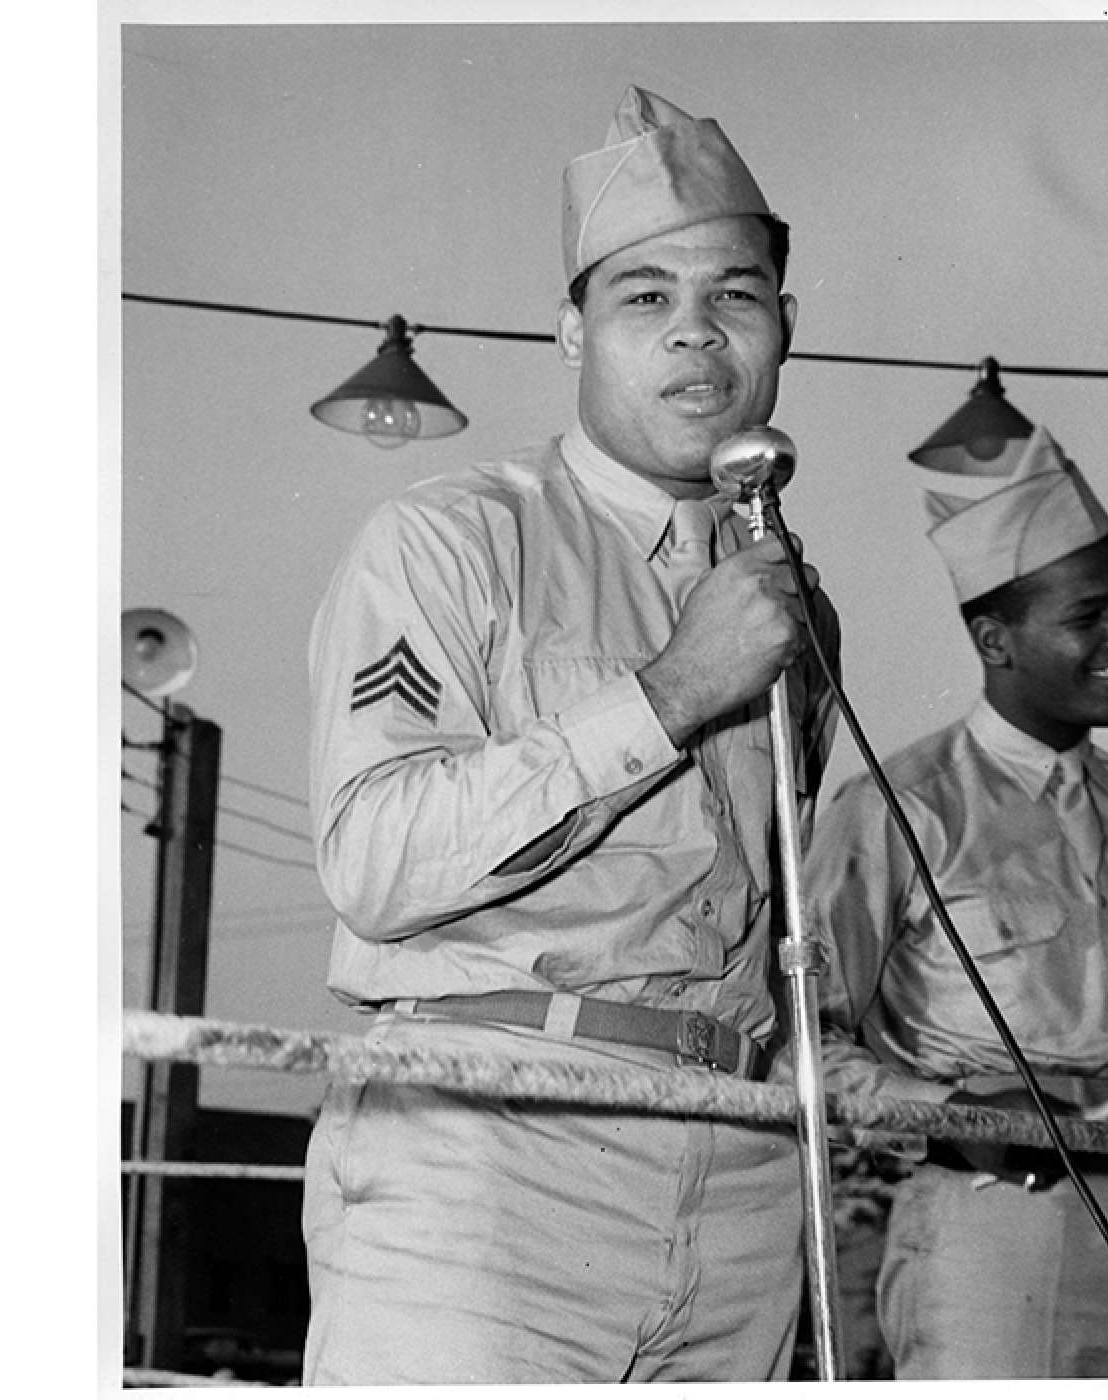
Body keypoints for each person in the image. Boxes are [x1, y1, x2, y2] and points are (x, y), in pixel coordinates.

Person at [299, 85, 841, 1385]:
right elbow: (372, 862)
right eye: (644, 297)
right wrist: (664, 695)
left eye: (737, 296)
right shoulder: (451, 540)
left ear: (785, 328)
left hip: (739, 1171)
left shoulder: (791, 599)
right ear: (571, 332)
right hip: (489, 1146)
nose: (697, 336)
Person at [799, 417, 1108, 1378]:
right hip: (996, 1236)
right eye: (1088, 616)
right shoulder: (901, 806)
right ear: (995, 639)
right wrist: (958, 1114)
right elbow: (796, 1039)